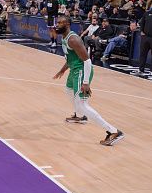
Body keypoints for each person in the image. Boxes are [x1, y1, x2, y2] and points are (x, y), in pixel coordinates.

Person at [53, 16, 124, 146]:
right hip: (74, 69)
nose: (57, 25)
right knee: (68, 90)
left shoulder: (73, 39)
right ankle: (81, 116)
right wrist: (63, 70)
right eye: (57, 22)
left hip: (81, 70)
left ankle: (113, 131)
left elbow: (87, 61)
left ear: (68, 24)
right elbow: (70, 58)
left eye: (60, 23)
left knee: (82, 104)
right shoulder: (64, 37)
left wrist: (86, 82)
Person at [135, 6, 152, 77]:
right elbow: (142, 23)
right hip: (145, 37)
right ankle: (141, 70)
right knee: (142, 54)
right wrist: (141, 31)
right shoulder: (147, 13)